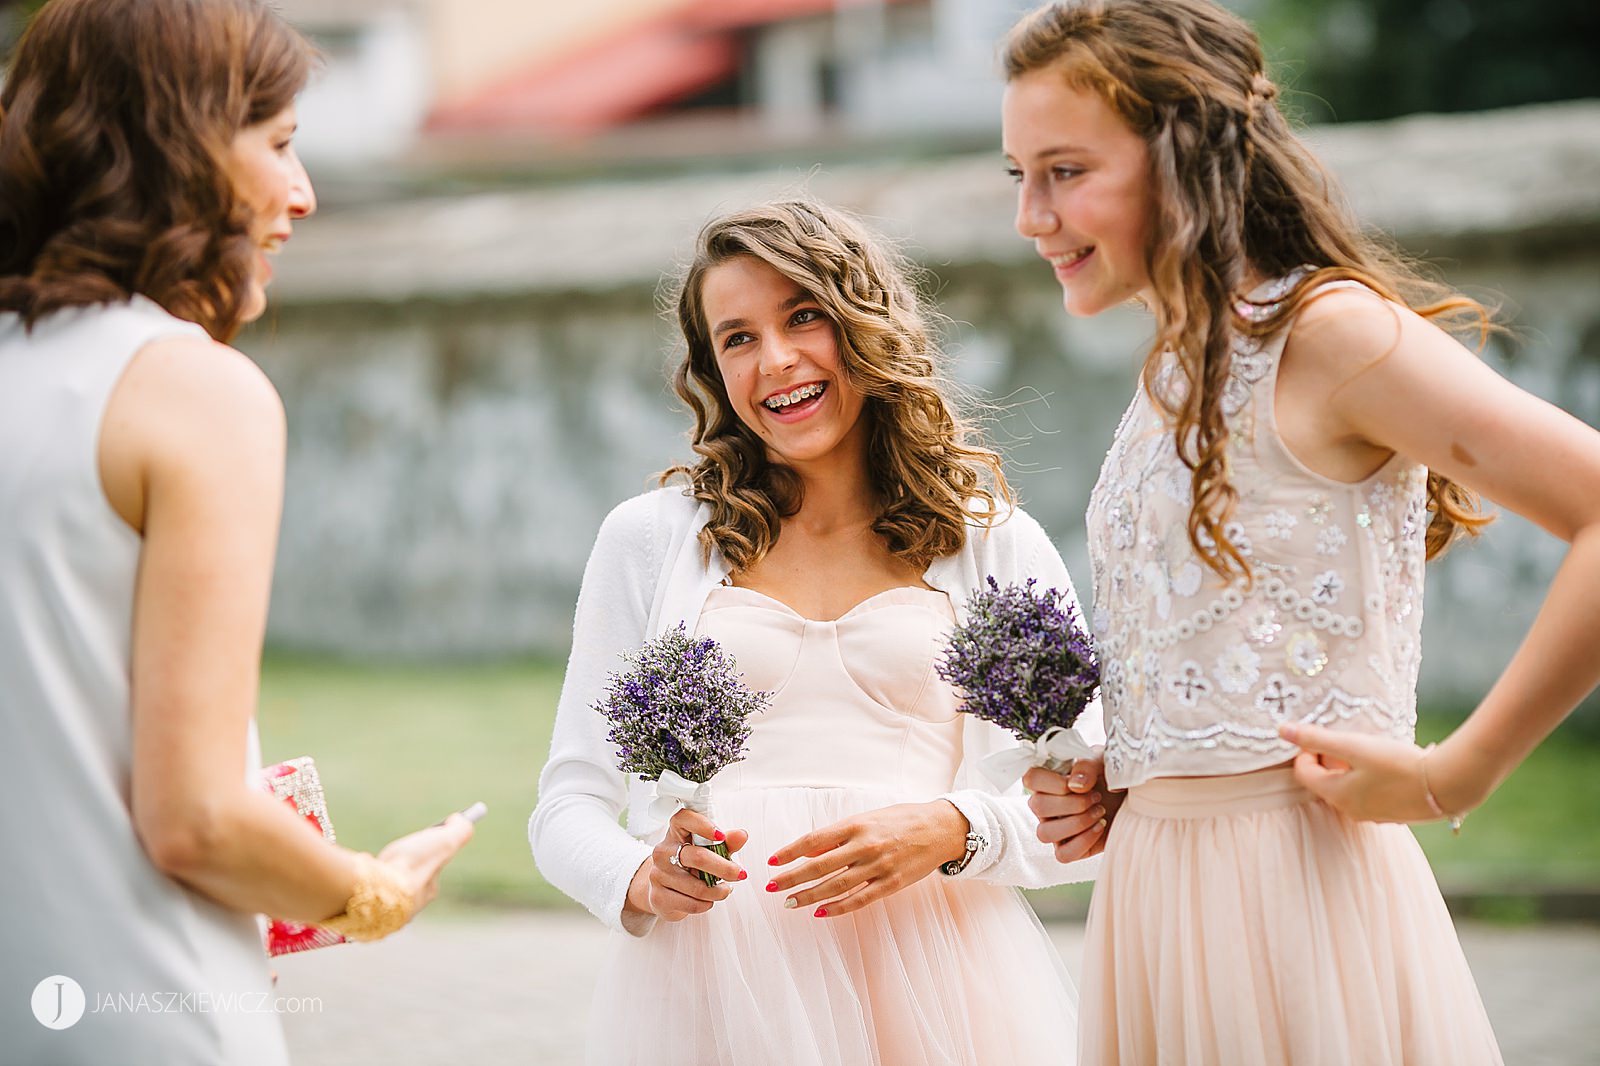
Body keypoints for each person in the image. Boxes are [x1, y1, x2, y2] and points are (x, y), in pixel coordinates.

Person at [1001, 1, 1600, 1063]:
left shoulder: (1328, 335)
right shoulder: (1172, 368)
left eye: (1063, 171)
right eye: (1019, 177)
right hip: (1153, 894)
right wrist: (1133, 773)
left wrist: (1452, 772)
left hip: (1292, 895)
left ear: (1181, 156)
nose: (1030, 217)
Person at [0, 2, 473, 1062]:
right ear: (180, 143)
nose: (301, 195)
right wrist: (374, 890)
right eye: (281, 143)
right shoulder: (192, 392)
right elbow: (197, 820)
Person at [529, 199, 1102, 1065]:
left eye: (804, 317)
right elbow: (568, 804)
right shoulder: (649, 541)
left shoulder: (990, 539)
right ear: (712, 369)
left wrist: (954, 828)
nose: (776, 360)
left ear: (866, 326)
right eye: (738, 337)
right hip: (715, 992)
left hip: (945, 989)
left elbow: (1089, 808)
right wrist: (638, 878)